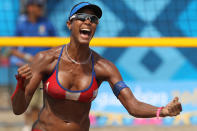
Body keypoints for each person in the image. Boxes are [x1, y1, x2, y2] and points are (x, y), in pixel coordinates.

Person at [11, 2, 182, 131]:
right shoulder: (46, 60)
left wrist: (163, 111)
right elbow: (18, 109)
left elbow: (133, 106)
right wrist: (20, 86)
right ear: (69, 24)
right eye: (82, 17)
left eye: (93, 19)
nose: (88, 21)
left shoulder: (104, 67)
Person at [10, 0, 56, 130]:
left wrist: (48, 60)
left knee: (38, 102)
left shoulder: (47, 23)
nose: (41, 8)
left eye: (41, 6)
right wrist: (26, 57)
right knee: (25, 98)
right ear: (30, 7)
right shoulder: (22, 25)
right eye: (38, 6)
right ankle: (27, 125)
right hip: (28, 69)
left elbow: (55, 45)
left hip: (43, 69)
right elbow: (12, 49)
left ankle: (34, 126)